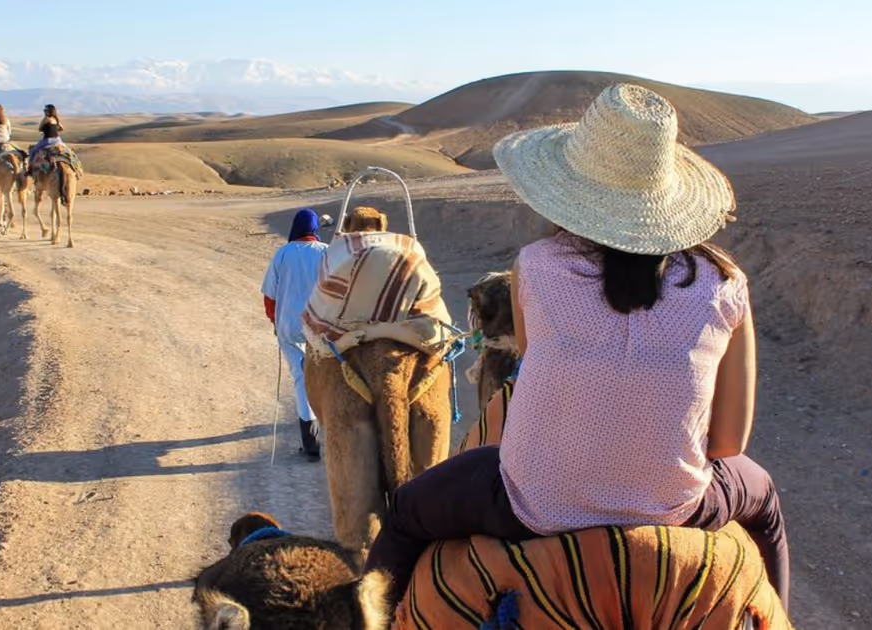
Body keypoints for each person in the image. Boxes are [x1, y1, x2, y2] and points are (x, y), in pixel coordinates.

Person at [364, 83, 790, 611]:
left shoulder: (535, 265)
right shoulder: (726, 282)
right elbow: (726, 443)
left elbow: (529, 359)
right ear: (668, 195)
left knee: (405, 513)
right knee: (764, 499)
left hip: (533, 507)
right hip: (675, 506)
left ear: (569, 190)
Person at [261, 209, 330, 461]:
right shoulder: (327, 252)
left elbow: (270, 296)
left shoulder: (283, 253)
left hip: (290, 327)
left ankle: (310, 442)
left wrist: (276, 322)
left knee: (302, 378)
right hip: (322, 328)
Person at [28, 104, 65, 169]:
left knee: (32, 151)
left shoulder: (46, 118)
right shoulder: (56, 119)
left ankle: (30, 169)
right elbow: (62, 128)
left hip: (47, 141)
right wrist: (55, 129)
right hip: (57, 140)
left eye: (45, 110)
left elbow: (39, 128)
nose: (44, 111)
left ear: (49, 111)